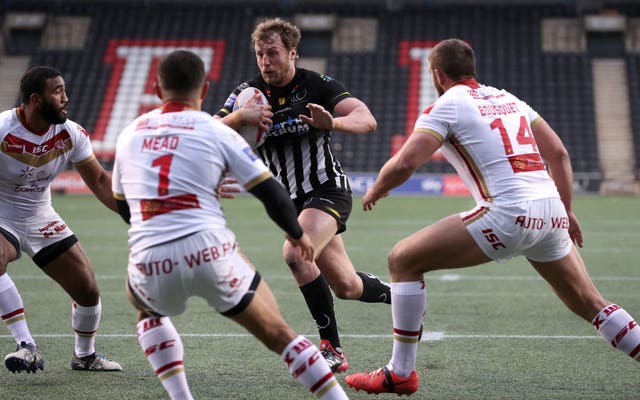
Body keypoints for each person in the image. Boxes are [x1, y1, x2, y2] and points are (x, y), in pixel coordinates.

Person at [345, 38, 640, 395]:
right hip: (549, 210)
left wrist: (376, 187)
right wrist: (567, 210)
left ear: (437, 74)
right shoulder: (509, 98)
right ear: (471, 69)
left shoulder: (446, 105)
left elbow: (407, 161)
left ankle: (400, 372)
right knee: (591, 303)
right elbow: (558, 153)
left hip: (508, 212)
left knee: (402, 259)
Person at [112, 49, 349, 400]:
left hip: (150, 257)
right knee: (280, 334)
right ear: (204, 90)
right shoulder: (213, 129)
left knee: (145, 308)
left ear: (157, 89)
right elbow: (272, 193)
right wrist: (297, 235)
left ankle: (182, 396)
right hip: (209, 251)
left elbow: (122, 205)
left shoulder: (129, 133)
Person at [215, 17, 391, 373]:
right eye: (260, 54)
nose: (266, 61)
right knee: (346, 285)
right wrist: (239, 118)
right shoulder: (246, 95)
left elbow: (366, 118)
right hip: (291, 203)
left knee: (296, 254)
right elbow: (205, 130)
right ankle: (403, 295)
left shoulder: (316, 85)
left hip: (327, 189)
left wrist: (335, 123)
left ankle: (332, 350)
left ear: (292, 53)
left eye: (274, 53)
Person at [0, 66, 122, 373]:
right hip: (3, 215)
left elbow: (100, 182)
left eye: (64, 89)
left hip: (41, 216)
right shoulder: (2, 129)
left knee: (88, 289)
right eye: (58, 91)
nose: (66, 97)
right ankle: (26, 345)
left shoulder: (71, 133)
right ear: (35, 99)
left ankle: (84, 356)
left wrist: (137, 216)